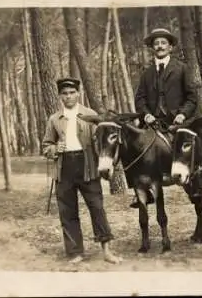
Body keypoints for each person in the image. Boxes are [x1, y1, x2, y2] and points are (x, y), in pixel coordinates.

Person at [42, 78, 122, 264]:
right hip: (64, 168)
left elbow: (104, 140)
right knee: (67, 212)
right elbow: (46, 146)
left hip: (88, 166)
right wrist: (55, 149)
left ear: (78, 94)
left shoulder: (91, 114)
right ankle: (75, 252)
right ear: (60, 95)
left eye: (72, 92)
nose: (68, 96)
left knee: (97, 208)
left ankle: (107, 251)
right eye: (65, 93)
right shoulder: (54, 119)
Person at [132, 28, 202, 207]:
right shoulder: (147, 73)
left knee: (186, 148)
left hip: (176, 121)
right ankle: (142, 189)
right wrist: (146, 114)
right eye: (156, 43)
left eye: (163, 43)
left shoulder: (182, 69)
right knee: (136, 148)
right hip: (154, 122)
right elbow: (140, 99)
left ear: (170, 47)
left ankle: (193, 183)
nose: (160, 46)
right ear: (152, 48)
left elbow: (192, 97)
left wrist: (182, 114)